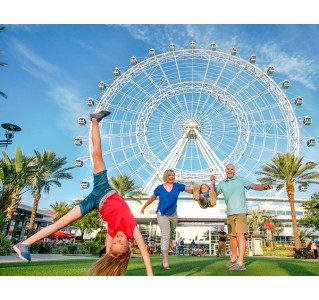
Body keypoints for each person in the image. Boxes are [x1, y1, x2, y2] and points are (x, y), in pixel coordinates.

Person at [13, 110, 153, 276]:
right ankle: (95, 121)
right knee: (96, 153)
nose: (118, 239)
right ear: (129, 246)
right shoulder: (132, 229)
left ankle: (24, 244)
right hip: (104, 190)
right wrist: (150, 276)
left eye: (115, 242)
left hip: (94, 200)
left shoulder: (112, 232)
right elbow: (144, 251)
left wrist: (109, 256)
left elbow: (109, 252)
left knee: (59, 223)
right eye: (120, 242)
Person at [210, 164, 272, 271]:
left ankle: (240, 263)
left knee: (240, 236)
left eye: (232, 169)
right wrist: (212, 182)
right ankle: (233, 259)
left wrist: (263, 187)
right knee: (232, 237)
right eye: (228, 169)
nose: (230, 171)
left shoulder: (241, 180)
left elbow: (254, 186)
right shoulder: (222, 184)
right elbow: (214, 194)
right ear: (225, 170)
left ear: (234, 170)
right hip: (230, 213)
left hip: (241, 212)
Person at [140, 170, 193, 269]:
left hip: (173, 213)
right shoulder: (159, 188)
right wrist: (144, 206)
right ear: (166, 176)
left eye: (173, 175)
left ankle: (171, 239)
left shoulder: (178, 186)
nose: (172, 177)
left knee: (172, 232)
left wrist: (199, 192)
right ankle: (165, 261)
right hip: (162, 213)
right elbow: (152, 198)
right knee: (165, 235)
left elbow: (189, 190)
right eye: (170, 175)